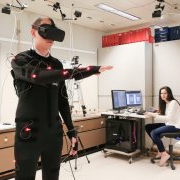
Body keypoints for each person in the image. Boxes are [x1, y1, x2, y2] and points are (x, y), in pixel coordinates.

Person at [10, 17, 113, 180]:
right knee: (24, 176)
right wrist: (86, 70)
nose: (51, 36)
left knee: (52, 176)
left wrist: (71, 130)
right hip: (29, 132)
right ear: (33, 32)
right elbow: (38, 76)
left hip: (53, 132)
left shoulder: (57, 64)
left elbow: (62, 100)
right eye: (46, 30)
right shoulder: (20, 60)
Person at [144, 86, 180, 166]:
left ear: (169, 94)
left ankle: (164, 154)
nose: (163, 95)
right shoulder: (167, 103)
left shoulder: (173, 102)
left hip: (175, 126)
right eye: (161, 93)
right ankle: (160, 149)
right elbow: (167, 115)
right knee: (148, 127)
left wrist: (153, 115)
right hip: (169, 124)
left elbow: (168, 118)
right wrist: (157, 112)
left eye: (165, 93)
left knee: (154, 133)